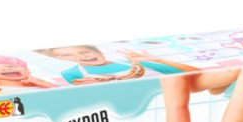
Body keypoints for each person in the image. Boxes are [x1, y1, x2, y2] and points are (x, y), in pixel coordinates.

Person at [37, 45, 196, 84]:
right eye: (67, 55)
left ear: (97, 50)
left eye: (84, 51)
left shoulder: (135, 61)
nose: (80, 56)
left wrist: (158, 60)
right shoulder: (71, 74)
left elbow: (195, 73)